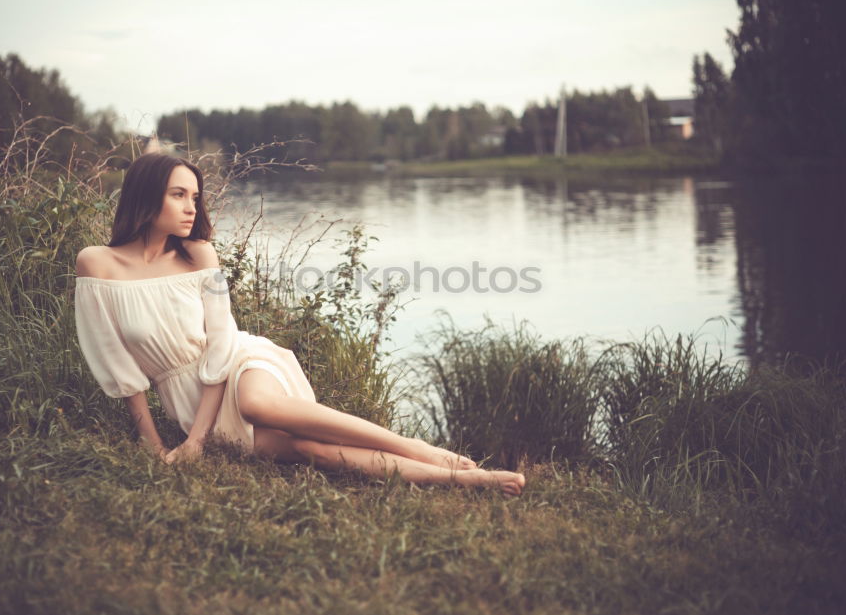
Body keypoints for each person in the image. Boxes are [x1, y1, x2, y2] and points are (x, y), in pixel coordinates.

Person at [74, 152, 526, 496]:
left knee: (256, 404)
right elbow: (119, 368)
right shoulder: (97, 264)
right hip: (186, 397)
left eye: (195, 196)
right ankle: (465, 481)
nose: (192, 207)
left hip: (239, 365)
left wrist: (196, 442)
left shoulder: (198, 255)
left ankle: (417, 446)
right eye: (178, 194)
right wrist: (152, 445)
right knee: (311, 451)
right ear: (145, 194)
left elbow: (221, 345)